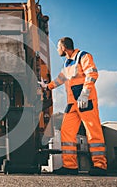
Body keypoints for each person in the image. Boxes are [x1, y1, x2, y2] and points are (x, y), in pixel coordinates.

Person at [38, 37, 107, 176]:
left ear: (63, 47)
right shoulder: (68, 64)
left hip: (85, 101)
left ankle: (100, 165)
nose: (57, 50)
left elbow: (92, 73)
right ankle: (70, 166)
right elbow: (61, 79)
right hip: (72, 104)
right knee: (66, 132)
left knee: (93, 132)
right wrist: (47, 86)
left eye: (58, 47)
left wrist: (85, 93)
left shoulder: (83, 56)